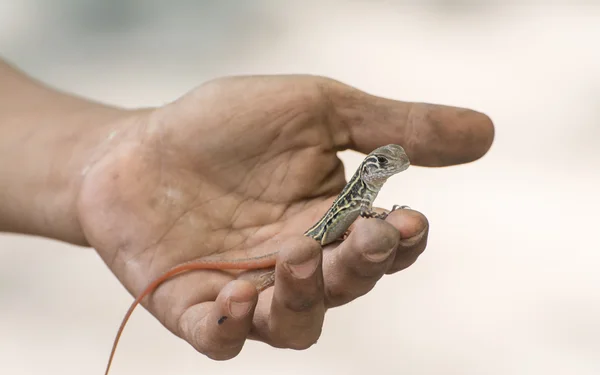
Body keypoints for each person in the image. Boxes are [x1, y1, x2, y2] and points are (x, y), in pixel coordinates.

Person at [0, 58, 493, 359]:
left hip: (319, 232)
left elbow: (357, 216)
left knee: (308, 259)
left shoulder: (361, 195)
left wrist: (97, 160)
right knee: (299, 261)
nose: (392, 165)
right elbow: (356, 214)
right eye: (384, 162)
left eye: (390, 163)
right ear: (371, 170)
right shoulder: (359, 195)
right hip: (320, 231)